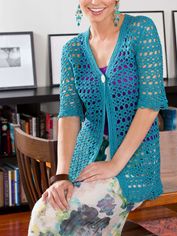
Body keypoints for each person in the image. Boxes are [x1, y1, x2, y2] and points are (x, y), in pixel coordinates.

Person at [28, 0, 168, 235]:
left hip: (133, 159)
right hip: (87, 153)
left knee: (73, 216)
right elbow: (69, 114)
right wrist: (61, 175)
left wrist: (114, 164)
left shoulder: (140, 31)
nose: (95, 2)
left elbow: (150, 105)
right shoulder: (72, 50)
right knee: (46, 210)